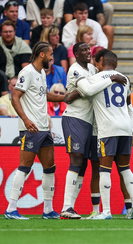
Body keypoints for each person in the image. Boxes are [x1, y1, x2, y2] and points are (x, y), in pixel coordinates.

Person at [60, 42, 126, 219]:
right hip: (75, 117)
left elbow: (88, 91)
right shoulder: (75, 69)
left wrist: (74, 94)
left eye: (89, 49)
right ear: (75, 54)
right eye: (83, 50)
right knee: (76, 160)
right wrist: (111, 78)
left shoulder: (91, 68)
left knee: (85, 165)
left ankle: (77, 208)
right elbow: (88, 90)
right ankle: (66, 207)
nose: (88, 52)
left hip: (89, 121)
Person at [4, 41, 65, 220]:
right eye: (50, 55)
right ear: (41, 55)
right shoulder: (27, 72)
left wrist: (66, 97)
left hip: (44, 127)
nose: (52, 58)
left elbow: (43, 95)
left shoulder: (40, 73)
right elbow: (15, 97)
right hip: (31, 128)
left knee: (49, 168)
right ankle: (11, 209)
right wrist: (25, 119)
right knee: (25, 166)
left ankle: (47, 210)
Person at [79, 51, 133, 219]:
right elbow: (129, 105)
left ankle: (106, 211)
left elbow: (86, 92)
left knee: (104, 170)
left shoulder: (94, 79)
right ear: (116, 64)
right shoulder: (126, 79)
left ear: (100, 62)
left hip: (108, 128)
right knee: (125, 169)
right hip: (126, 127)